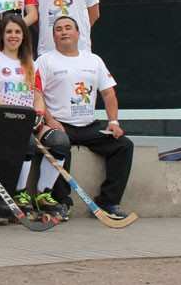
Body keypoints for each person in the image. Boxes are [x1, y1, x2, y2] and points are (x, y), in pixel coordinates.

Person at [37, 15, 133, 219]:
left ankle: (108, 202)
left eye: (68, 28)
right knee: (60, 144)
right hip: (60, 123)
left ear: (78, 33)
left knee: (124, 145)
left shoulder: (93, 60)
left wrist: (113, 122)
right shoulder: (45, 61)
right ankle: (62, 203)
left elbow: (108, 93)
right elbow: (36, 94)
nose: (64, 32)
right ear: (53, 36)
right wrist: (50, 120)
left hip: (89, 125)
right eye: (59, 29)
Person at [0, 15, 71, 219]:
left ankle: (43, 194)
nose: (13, 36)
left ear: (24, 36)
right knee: (27, 142)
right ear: (2, 36)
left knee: (60, 141)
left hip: (30, 119)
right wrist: (11, 113)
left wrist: (38, 113)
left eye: (18, 32)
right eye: (9, 32)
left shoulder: (31, 63)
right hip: (4, 120)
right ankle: (20, 194)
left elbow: (37, 95)